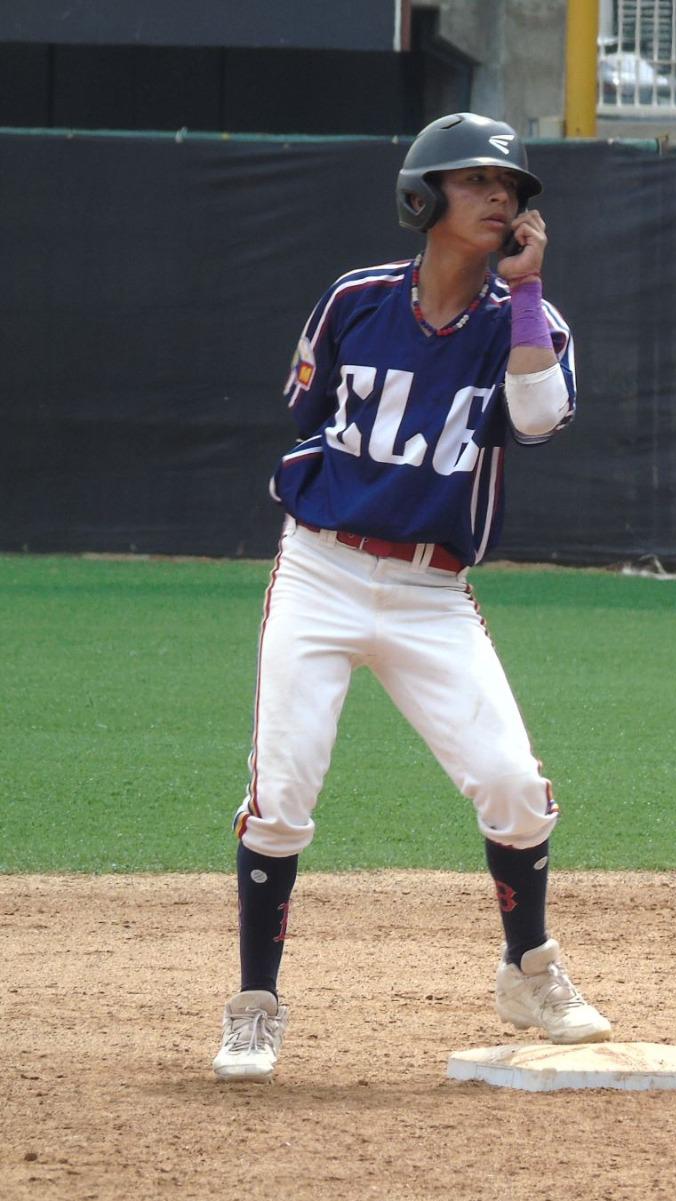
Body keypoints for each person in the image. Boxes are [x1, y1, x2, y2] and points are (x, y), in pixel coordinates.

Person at [212, 112, 611, 1082]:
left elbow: (541, 416)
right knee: (283, 795)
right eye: (477, 181)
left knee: (515, 786)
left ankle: (530, 968)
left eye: (511, 187)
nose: (500, 198)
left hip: (434, 592)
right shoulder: (354, 299)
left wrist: (524, 296)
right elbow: (305, 411)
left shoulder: (530, 322)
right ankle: (255, 1002)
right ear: (422, 196)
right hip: (322, 571)